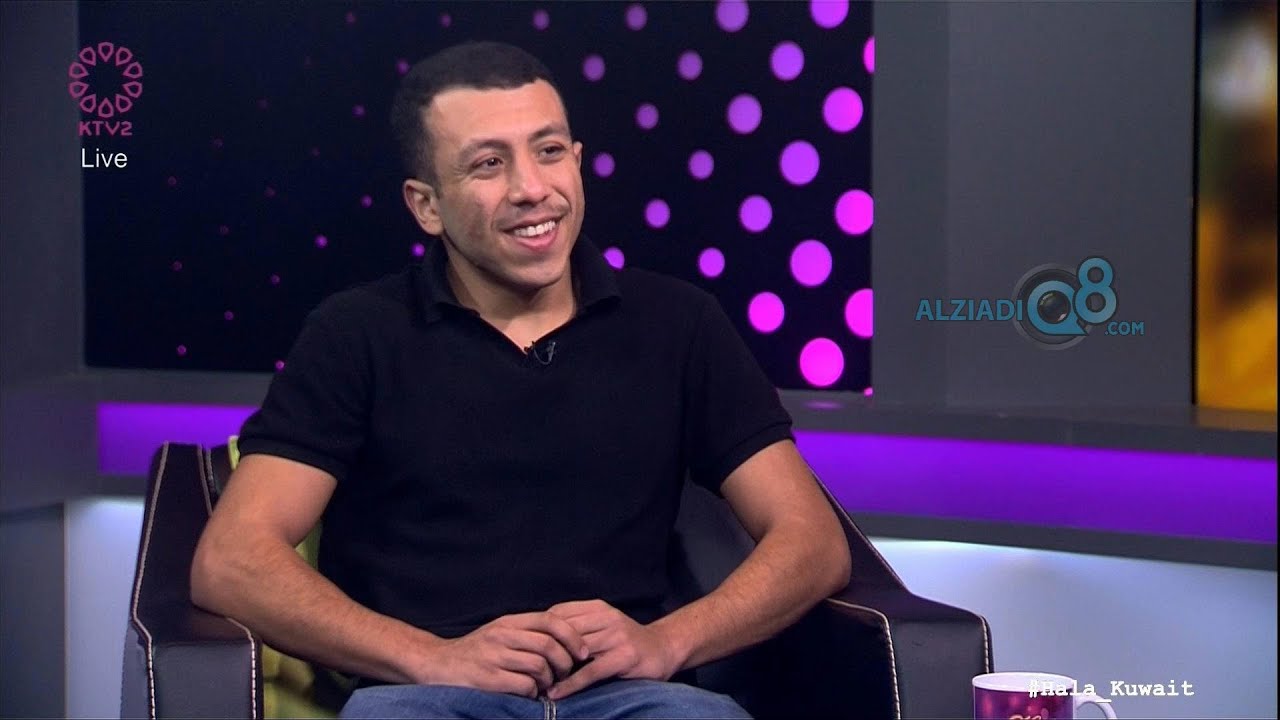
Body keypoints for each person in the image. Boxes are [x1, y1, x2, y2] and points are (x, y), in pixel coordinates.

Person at [191, 41, 851, 719]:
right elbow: (232, 559)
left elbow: (812, 540)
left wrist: (668, 641)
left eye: (549, 151)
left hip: (636, 694)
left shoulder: (680, 324)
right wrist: (431, 657)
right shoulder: (355, 334)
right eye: (489, 163)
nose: (532, 188)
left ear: (579, 163)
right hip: (426, 695)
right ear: (426, 206)